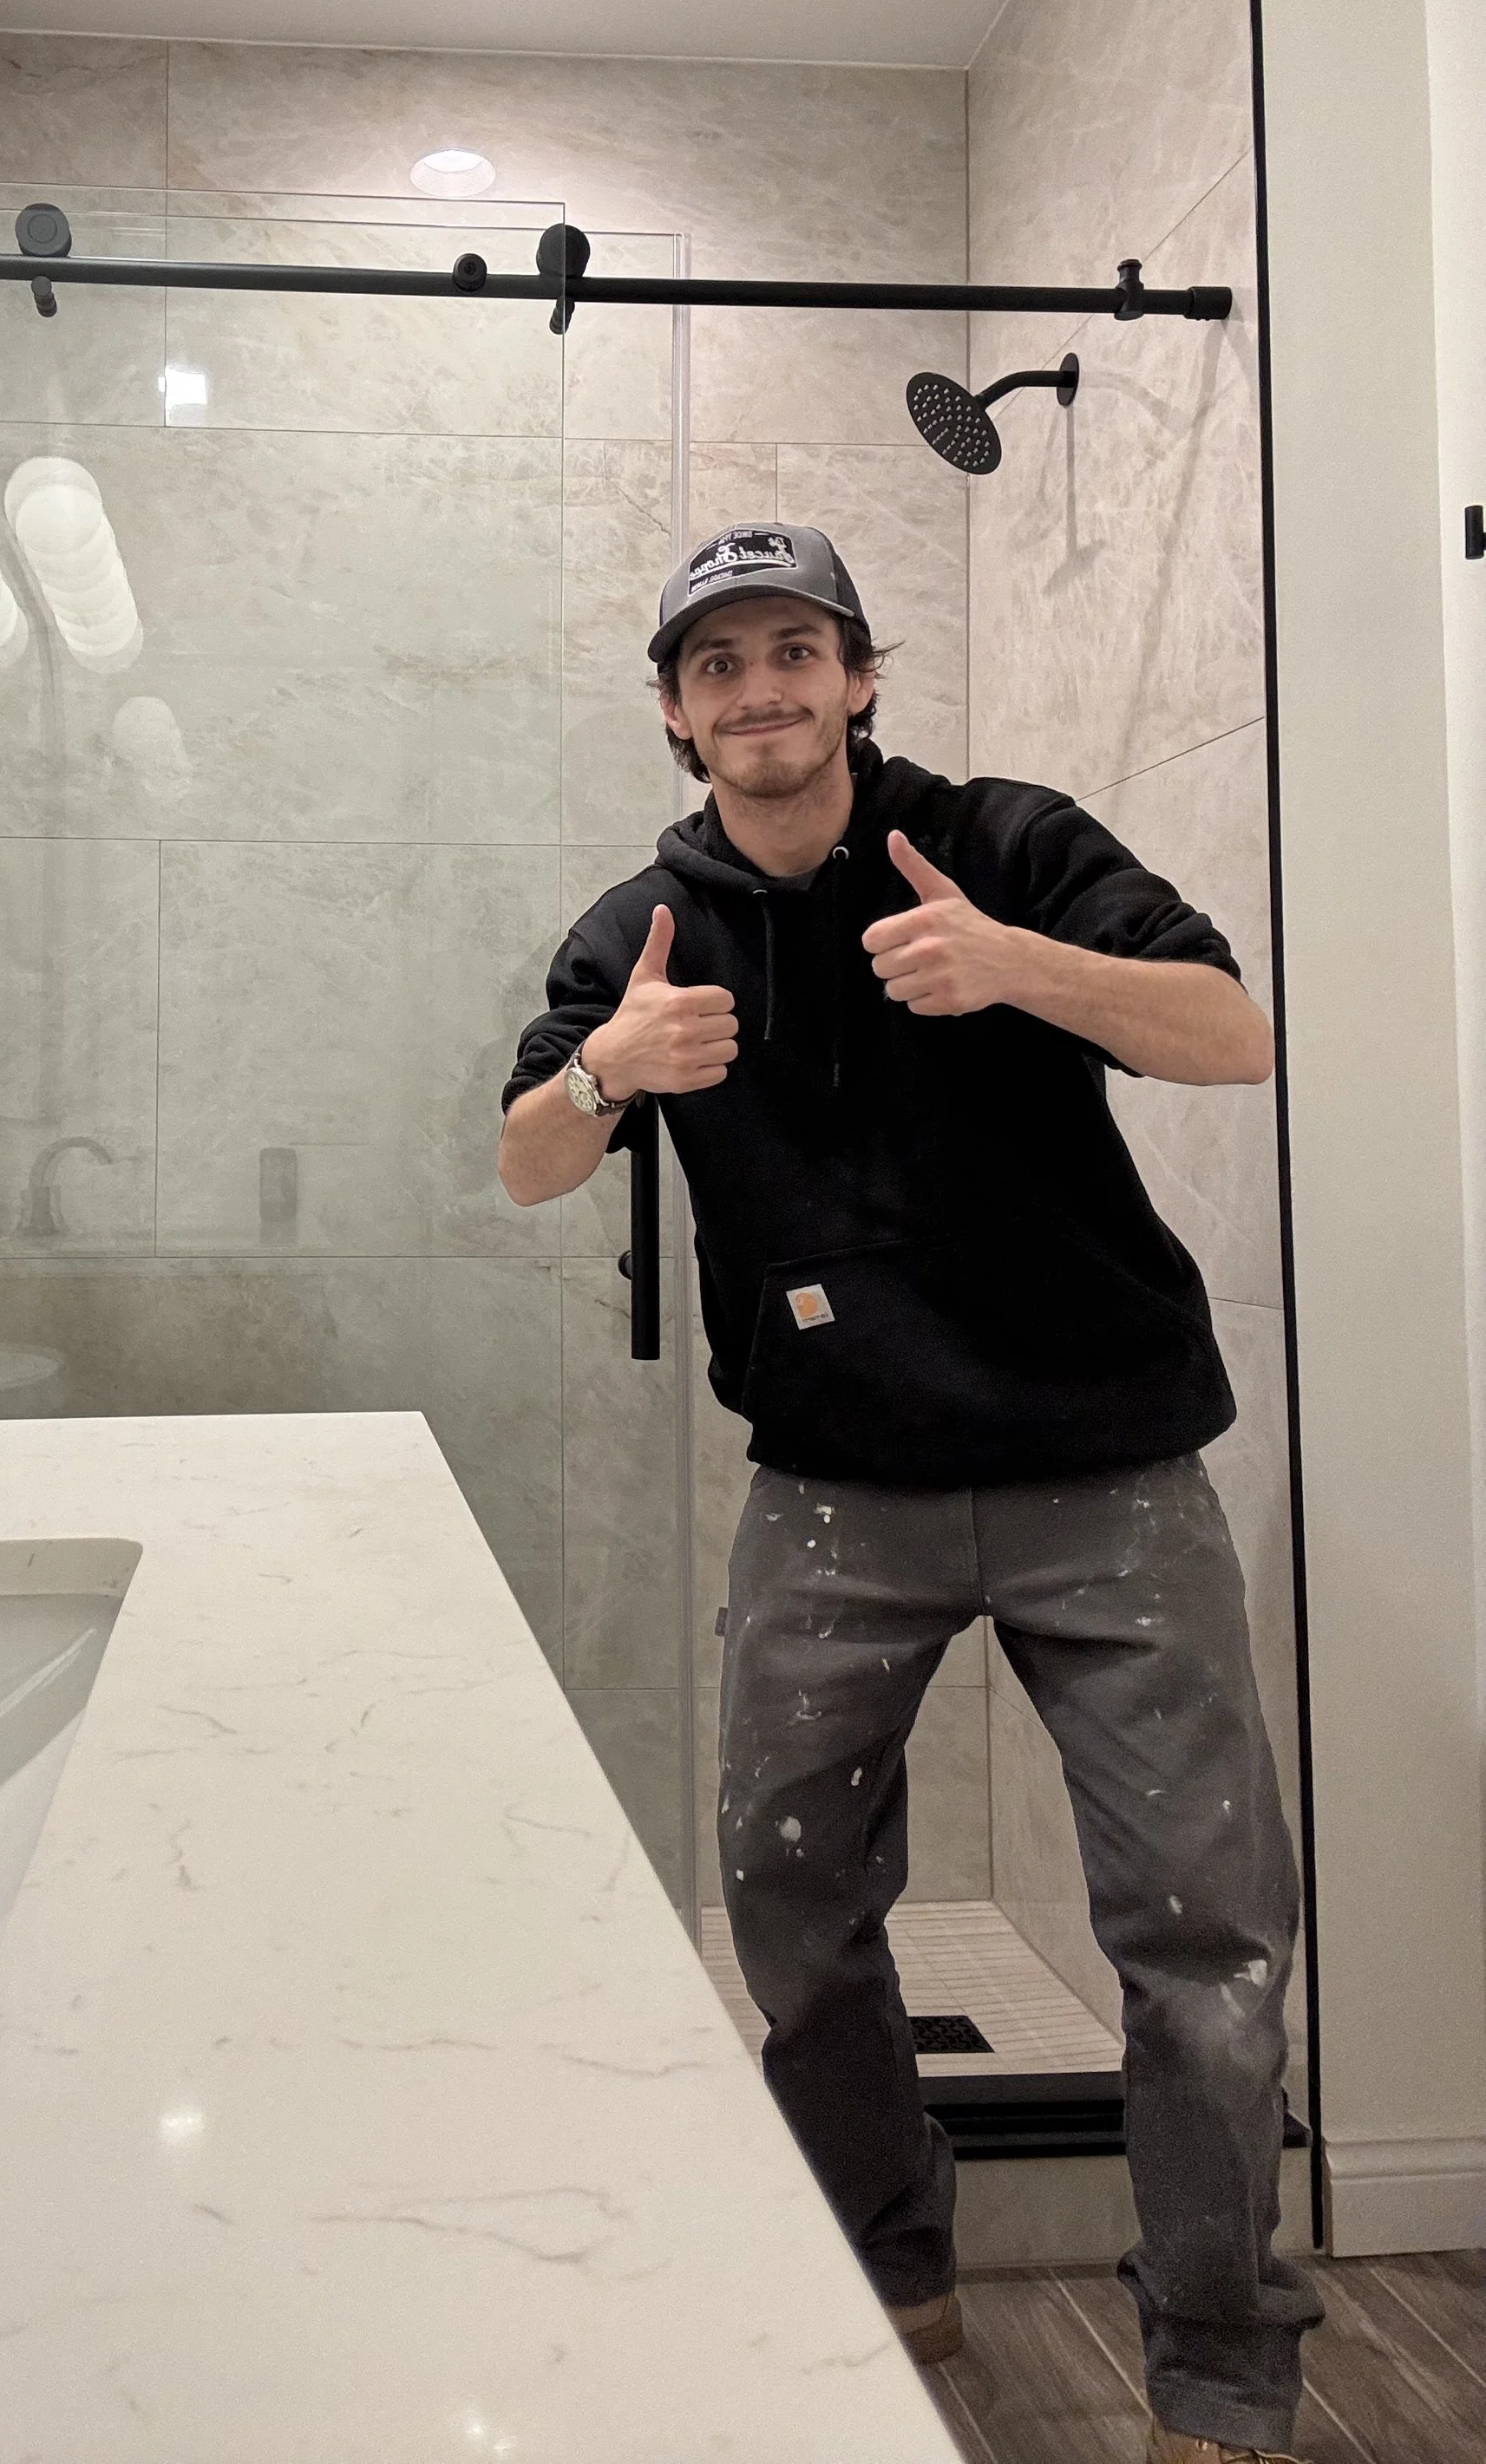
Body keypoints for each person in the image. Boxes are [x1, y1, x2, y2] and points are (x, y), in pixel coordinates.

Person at [499, 523, 1320, 2464]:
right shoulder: (645, 919)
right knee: (785, 1906)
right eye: (718, 664)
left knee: (1201, 1945)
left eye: (795, 650)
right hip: (831, 1498)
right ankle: (889, 2262)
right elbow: (527, 1160)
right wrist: (609, 1067)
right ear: (675, 713)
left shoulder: (1008, 838)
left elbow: (1232, 1031)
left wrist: (1016, 967)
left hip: (1105, 1478)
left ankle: (1217, 2374)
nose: (759, 690)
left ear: (860, 677)